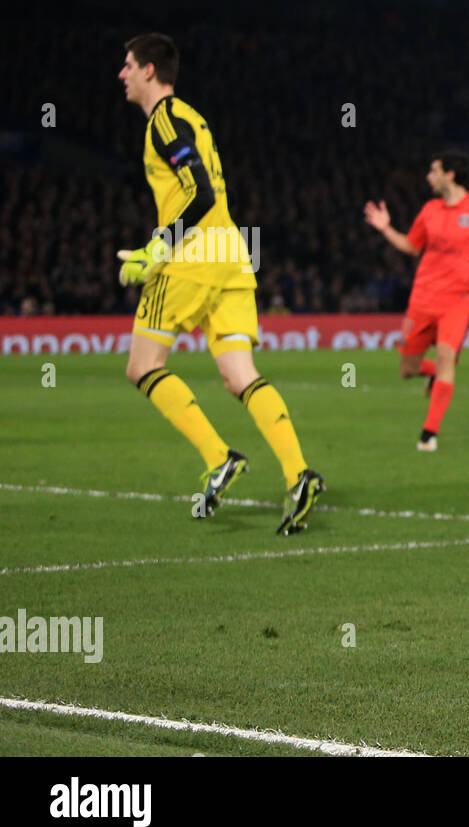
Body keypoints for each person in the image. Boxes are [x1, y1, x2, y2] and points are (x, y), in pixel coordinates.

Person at [116, 32, 323, 534]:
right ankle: (299, 475)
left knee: (142, 367)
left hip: (193, 256)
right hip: (233, 250)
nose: (120, 74)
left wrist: (159, 245)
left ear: (149, 70)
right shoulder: (192, 116)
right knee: (239, 376)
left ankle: (218, 457)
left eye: (126, 65)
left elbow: (200, 192)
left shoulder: (164, 121)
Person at [363, 152, 469, 451]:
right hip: (422, 299)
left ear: (450, 175)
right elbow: (411, 247)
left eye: (433, 170)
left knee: (447, 358)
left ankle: (428, 435)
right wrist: (385, 228)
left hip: (457, 301)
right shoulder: (429, 210)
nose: (428, 176)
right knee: (407, 369)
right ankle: (435, 375)